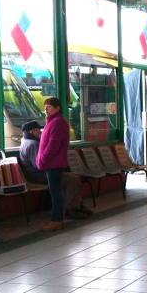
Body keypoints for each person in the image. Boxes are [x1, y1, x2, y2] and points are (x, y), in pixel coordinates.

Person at [19, 120, 90, 230]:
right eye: (38, 130)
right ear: (32, 131)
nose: (41, 132)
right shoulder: (33, 144)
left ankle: (77, 205)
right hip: (39, 176)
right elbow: (39, 165)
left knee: (73, 177)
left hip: (36, 174)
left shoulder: (26, 141)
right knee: (73, 179)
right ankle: (71, 209)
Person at [36, 97, 89, 231]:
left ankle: (57, 220)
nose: (46, 110)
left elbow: (53, 146)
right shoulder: (52, 122)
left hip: (53, 164)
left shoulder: (58, 123)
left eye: (49, 107)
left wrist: (42, 160)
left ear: (57, 108)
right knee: (54, 192)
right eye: (45, 107)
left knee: (56, 193)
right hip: (51, 163)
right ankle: (56, 218)